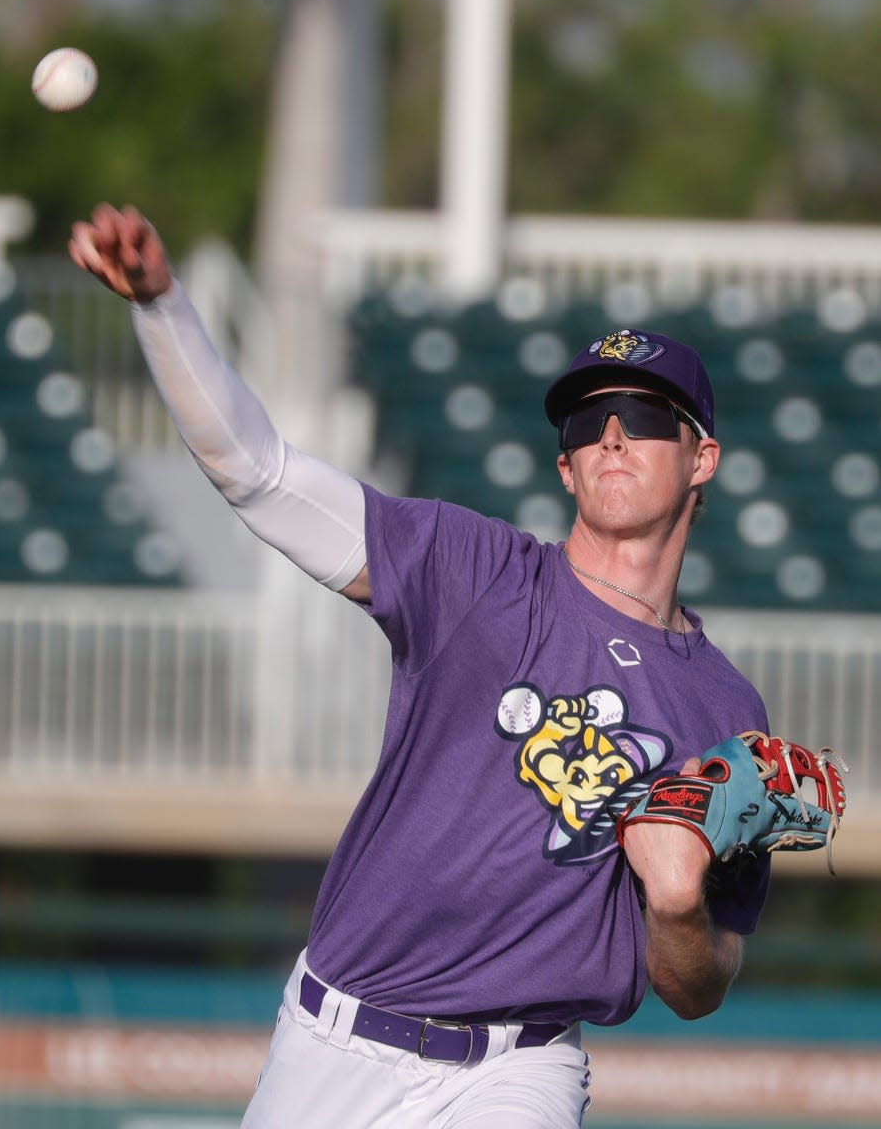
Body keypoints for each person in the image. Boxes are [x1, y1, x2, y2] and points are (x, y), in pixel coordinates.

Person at [69, 204, 771, 1129]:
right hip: (332, 1043)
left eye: (642, 415)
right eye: (586, 420)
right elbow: (259, 474)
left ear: (702, 458)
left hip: (517, 1071)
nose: (609, 435)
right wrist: (160, 305)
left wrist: (676, 904)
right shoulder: (470, 571)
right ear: (564, 469)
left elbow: (702, 984)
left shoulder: (726, 712)